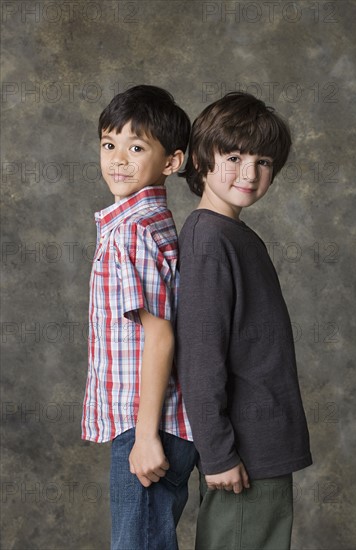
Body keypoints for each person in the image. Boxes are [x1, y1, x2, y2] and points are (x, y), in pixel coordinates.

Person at [176, 92, 312, 550]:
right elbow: (199, 357)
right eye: (233, 157)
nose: (250, 173)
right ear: (200, 159)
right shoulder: (208, 238)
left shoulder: (234, 234)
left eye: (264, 161)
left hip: (266, 444)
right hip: (242, 454)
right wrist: (217, 454)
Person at [81, 85, 197, 550]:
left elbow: (161, 335)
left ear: (171, 162)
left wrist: (145, 436)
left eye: (136, 147)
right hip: (155, 421)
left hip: (149, 424)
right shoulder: (151, 220)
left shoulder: (131, 231)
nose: (118, 160)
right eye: (110, 144)